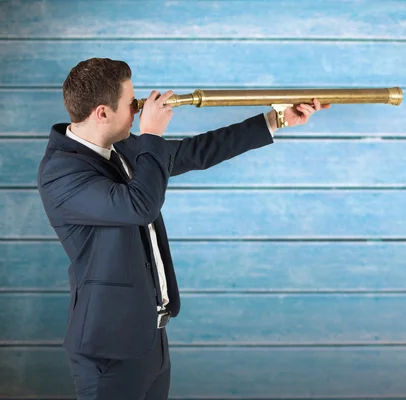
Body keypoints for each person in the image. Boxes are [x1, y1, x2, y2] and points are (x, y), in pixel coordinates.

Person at [36, 57, 329, 399]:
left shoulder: (120, 146)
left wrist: (276, 119)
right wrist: (152, 133)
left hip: (150, 337)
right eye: (131, 104)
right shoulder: (61, 172)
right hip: (109, 349)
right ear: (102, 112)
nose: (138, 110)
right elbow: (139, 205)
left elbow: (193, 152)